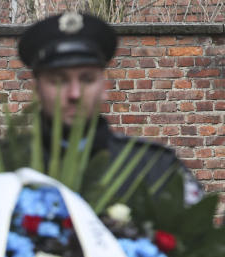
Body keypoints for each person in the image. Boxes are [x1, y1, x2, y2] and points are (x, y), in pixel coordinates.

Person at [17, 11, 203, 205]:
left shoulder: (155, 168)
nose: (74, 94)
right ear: (37, 90)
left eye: (87, 79)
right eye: (58, 81)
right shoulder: (4, 169)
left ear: (105, 87)